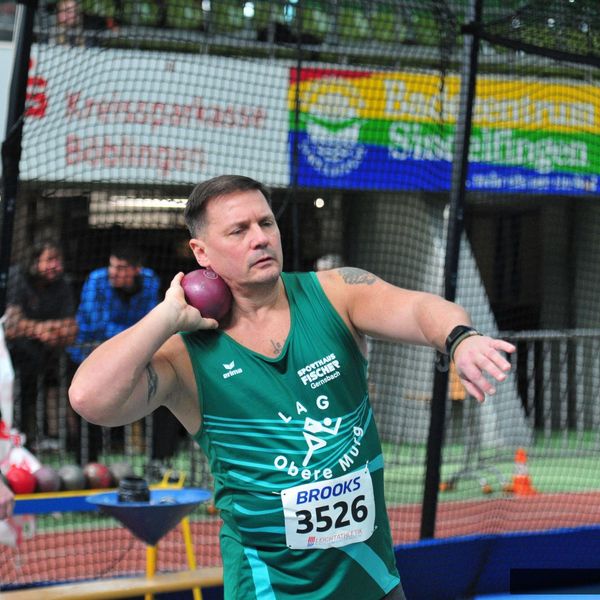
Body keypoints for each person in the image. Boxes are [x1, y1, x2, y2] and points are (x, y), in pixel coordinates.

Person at [69, 175, 515, 599]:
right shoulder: (186, 352)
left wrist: (460, 339)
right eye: (239, 230)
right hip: (269, 591)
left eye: (266, 223)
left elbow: (419, 308)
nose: (260, 238)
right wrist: (165, 317)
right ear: (201, 252)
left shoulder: (336, 294)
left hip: (374, 584)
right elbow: (89, 398)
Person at [68, 242, 160, 463]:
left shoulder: (149, 280)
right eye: (112, 266)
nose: (113, 272)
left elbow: (153, 318)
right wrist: (138, 335)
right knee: (88, 405)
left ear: (136, 270)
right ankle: (87, 462)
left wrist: (137, 338)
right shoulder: (97, 280)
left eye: (120, 268)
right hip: (89, 353)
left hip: (133, 354)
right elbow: (97, 325)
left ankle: (158, 460)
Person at [4, 240, 77, 447]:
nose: (55, 265)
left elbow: (71, 329)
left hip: (48, 355)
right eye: (50, 260)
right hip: (14, 356)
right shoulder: (18, 278)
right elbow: (11, 325)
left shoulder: (62, 284)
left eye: (58, 260)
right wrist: (42, 329)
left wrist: (37, 329)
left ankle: (59, 439)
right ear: (35, 262)